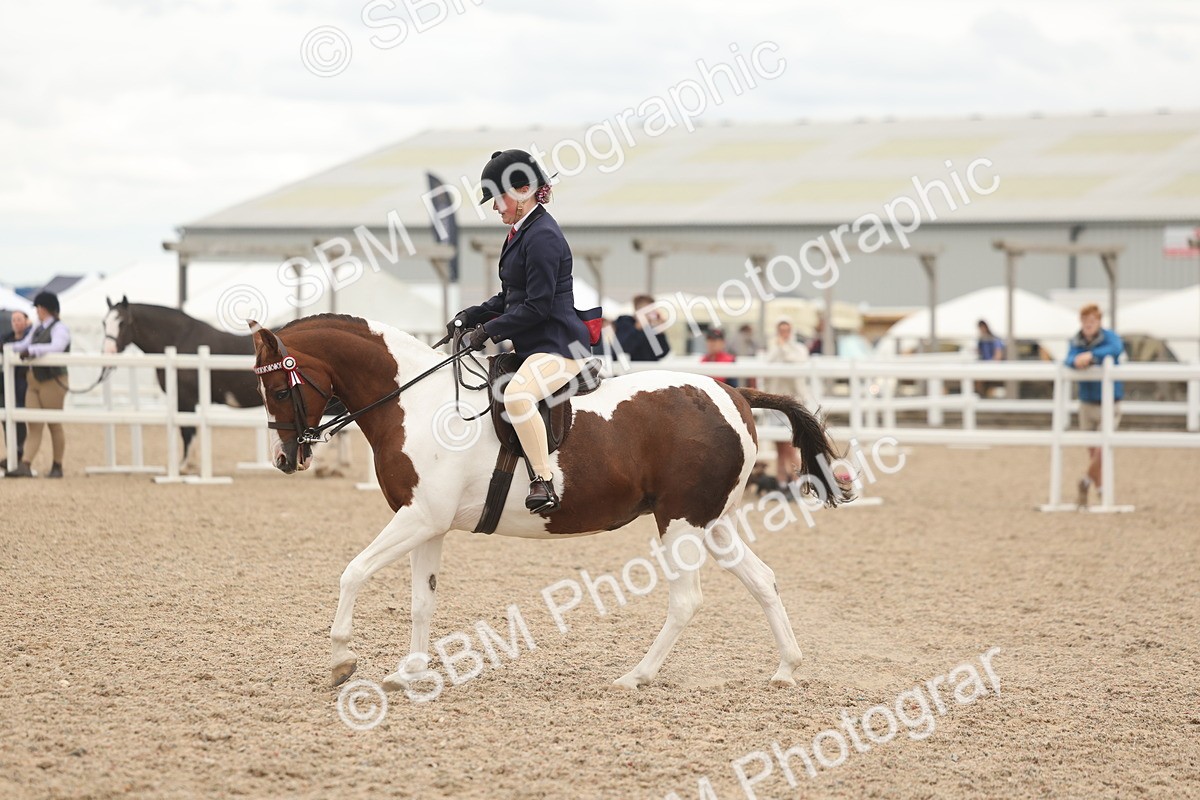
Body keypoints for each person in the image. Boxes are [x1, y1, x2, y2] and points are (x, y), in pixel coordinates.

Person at [446, 149, 590, 515]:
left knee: (518, 397)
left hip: (559, 347)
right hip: (535, 346)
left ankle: (543, 480)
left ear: (523, 190)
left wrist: (488, 332)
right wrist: (472, 316)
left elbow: (538, 305)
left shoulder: (542, 236)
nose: (495, 207)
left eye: (498, 197)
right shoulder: (522, 232)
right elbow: (512, 296)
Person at [1064, 304, 1124, 507]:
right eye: (1085, 321)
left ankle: (1086, 481)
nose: (1088, 325)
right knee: (1093, 450)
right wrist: (1076, 361)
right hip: (1087, 400)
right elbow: (1068, 358)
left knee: (1101, 449)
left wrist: (1091, 355)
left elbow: (1116, 349)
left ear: (1099, 321)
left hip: (1109, 401)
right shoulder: (1076, 341)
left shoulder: (1109, 338)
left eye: (1092, 321)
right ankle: (1099, 489)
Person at [6, 292, 70, 478]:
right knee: (33, 423)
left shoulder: (60, 329)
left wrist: (32, 350)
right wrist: (8, 347)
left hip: (53, 380)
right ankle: (25, 464)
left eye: (38, 308)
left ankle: (57, 465)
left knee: (54, 424)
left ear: (44, 309)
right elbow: (24, 343)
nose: (37, 312)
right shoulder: (37, 328)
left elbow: (56, 347)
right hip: (34, 380)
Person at [762, 318, 810, 487]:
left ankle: (797, 482)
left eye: (787, 330)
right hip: (776, 401)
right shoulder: (773, 348)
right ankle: (782, 481)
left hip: (793, 401)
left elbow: (795, 363)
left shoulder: (799, 349)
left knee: (790, 446)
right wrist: (779, 348)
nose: (784, 334)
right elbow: (768, 362)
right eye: (781, 330)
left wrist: (782, 347)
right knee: (780, 447)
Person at [1, 309, 31, 471]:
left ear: (26, 321)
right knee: (7, 419)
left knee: (20, 417)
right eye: (14, 320)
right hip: (7, 385)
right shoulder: (7, 338)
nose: (16, 323)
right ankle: (12, 451)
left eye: (19, 319)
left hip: (22, 383)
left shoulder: (29, 337)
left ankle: (20, 452)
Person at [613, 294, 670, 362]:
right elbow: (622, 348)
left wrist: (660, 333)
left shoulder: (651, 328)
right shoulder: (624, 322)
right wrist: (638, 328)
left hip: (649, 368)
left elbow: (662, 353)